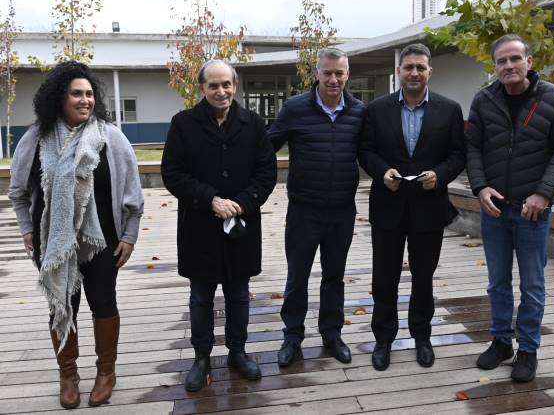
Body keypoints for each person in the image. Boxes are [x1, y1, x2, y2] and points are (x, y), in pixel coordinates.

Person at [8, 61, 144, 409]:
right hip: (53, 242)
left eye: (89, 94)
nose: (85, 100)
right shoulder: (36, 139)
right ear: (59, 98)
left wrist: (129, 235)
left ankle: (106, 372)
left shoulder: (110, 138)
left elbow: (133, 195)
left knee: (104, 302)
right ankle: (68, 375)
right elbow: (18, 192)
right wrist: (26, 229)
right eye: (76, 94)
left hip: (102, 241)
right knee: (61, 304)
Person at [466, 34, 554, 382]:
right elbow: (472, 148)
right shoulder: (484, 100)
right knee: (498, 282)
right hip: (495, 210)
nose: (509, 65)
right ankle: (501, 342)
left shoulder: (553, 99)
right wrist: (480, 187)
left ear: (529, 61)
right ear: (495, 66)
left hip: (533, 212)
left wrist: (543, 194)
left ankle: (528, 350)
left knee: (532, 285)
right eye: (501, 61)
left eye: (515, 58)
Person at [161, 60, 276, 391]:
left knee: (239, 295)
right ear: (202, 88)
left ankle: (238, 352)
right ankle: (201, 358)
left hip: (241, 226)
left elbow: (266, 172)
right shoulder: (183, 123)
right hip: (199, 227)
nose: (221, 91)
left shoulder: (253, 124)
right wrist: (211, 199)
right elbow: (172, 173)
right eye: (213, 85)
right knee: (201, 297)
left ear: (235, 85)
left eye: (226, 84)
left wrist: (242, 202)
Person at [359, 43, 465, 371]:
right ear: (399, 72)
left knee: (423, 278)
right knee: (384, 278)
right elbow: (366, 150)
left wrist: (440, 175)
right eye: (409, 67)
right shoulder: (376, 109)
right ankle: (383, 339)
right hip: (387, 205)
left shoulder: (449, 110)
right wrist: (382, 172)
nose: (414, 73)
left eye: (420, 67)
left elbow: (458, 155)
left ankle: (422, 336)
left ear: (430, 71)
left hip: (429, 207)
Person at [267, 48, 366, 367]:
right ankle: (292, 336)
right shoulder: (295, 108)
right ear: (317, 74)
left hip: (342, 210)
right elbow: (265, 147)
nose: (333, 79)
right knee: (297, 276)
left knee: (334, 277)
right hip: (303, 210)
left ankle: (332, 334)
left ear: (347, 75)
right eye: (327, 73)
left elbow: (372, 153)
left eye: (339, 73)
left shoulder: (359, 112)